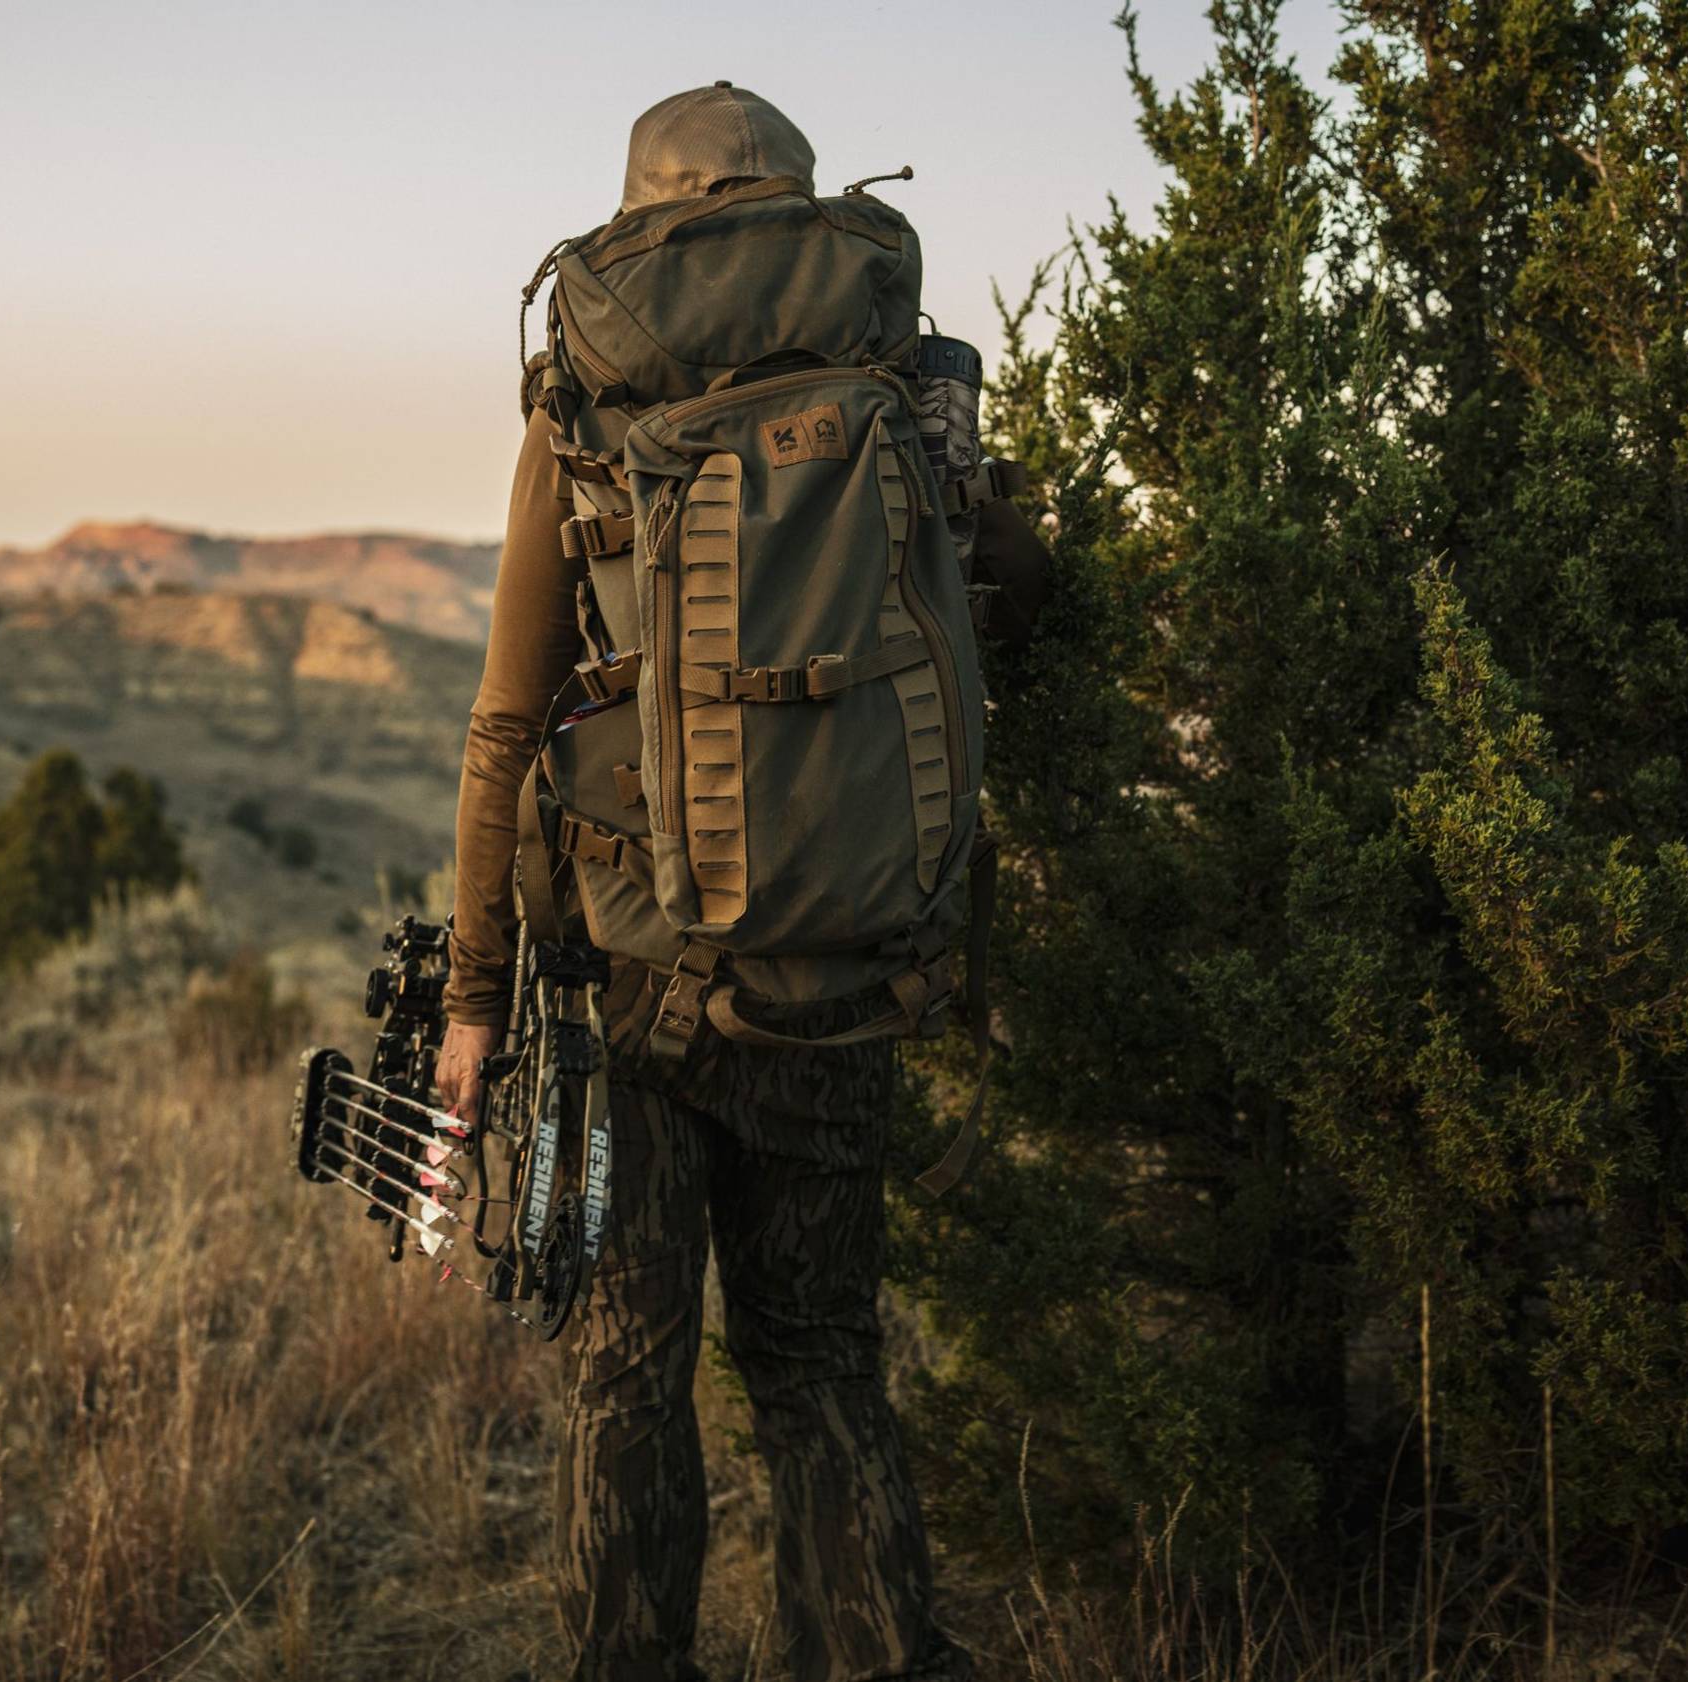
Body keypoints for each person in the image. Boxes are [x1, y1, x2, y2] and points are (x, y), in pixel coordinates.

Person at [434, 83, 971, 1682]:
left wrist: (471, 1006)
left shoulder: (587, 403)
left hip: (634, 992)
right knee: (823, 1375)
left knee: (628, 1375)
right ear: (804, 207)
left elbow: (503, 728)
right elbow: (1008, 587)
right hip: (849, 965)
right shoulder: (897, 378)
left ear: (643, 211)